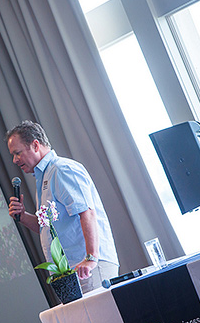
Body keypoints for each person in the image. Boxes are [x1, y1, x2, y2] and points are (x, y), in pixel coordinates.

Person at [6, 120, 119, 293]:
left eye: (17, 153)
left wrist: (90, 258)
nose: (14, 160)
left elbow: (87, 212)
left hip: (87, 267)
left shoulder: (61, 169)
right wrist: (22, 216)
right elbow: (47, 227)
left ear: (35, 145)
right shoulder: (44, 177)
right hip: (70, 272)